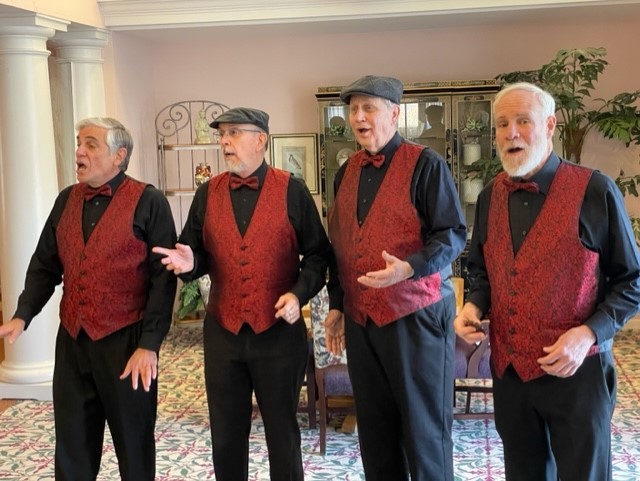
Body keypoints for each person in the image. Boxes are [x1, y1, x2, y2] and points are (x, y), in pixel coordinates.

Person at [454, 82, 640, 481]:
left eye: (523, 121)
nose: (511, 133)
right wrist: (473, 306)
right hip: (511, 375)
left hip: (579, 374)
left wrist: (589, 333)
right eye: (502, 124)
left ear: (550, 125)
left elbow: (632, 280)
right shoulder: (488, 196)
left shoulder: (595, 190)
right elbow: (479, 270)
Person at [153, 107, 330, 481]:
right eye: (221, 135)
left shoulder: (292, 190)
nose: (225, 142)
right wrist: (189, 263)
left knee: (283, 435)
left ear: (261, 139)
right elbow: (194, 253)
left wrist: (298, 295)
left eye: (233, 133)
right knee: (226, 436)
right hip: (223, 335)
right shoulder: (207, 193)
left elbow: (318, 254)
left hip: (278, 335)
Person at [0, 117, 178, 480]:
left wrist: (150, 344)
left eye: (91, 144)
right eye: (79, 142)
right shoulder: (66, 199)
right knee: (72, 442)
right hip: (73, 341)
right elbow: (44, 265)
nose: (79, 151)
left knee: (134, 441)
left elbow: (163, 281)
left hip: (127, 341)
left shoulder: (149, 201)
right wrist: (23, 314)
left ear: (119, 155)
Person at [324, 75, 466, 481]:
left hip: (417, 316)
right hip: (362, 321)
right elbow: (340, 244)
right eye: (353, 109)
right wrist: (337, 305)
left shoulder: (426, 164)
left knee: (424, 434)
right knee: (375, 432)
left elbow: (453, 234)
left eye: (369, 108)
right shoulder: (345, 171)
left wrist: (409, 267)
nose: (359, 117)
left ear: (394, 113)